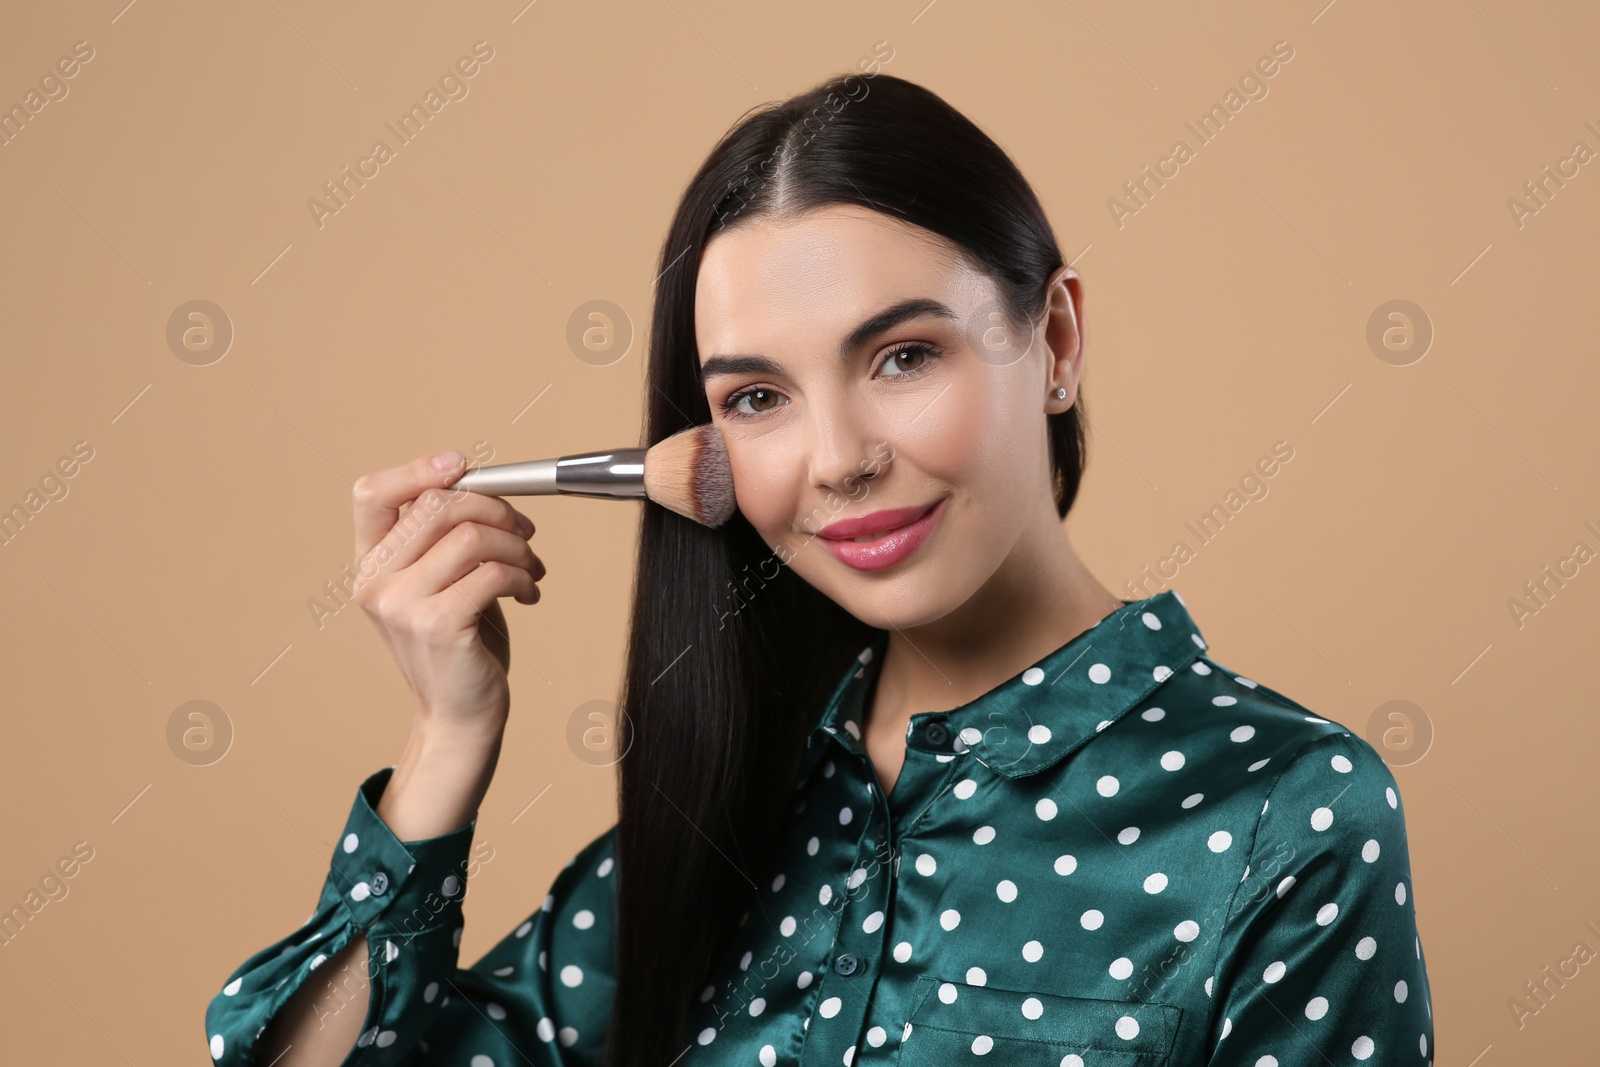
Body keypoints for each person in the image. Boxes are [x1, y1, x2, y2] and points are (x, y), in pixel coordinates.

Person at [204, 71, 1434, 1066]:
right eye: (756, 397)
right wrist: (445, 745)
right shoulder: (725, 813)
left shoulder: (1282, 813)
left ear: (1052, 339)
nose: (838, 460)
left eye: (901, 356)